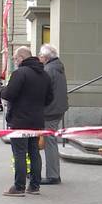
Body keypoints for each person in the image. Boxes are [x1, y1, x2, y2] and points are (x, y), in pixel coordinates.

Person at [0, 46, 53, 196]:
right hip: (37, 120)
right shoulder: (44, 75)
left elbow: (9, 94)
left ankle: (19, 187)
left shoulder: (20, 73)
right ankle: (35, 186)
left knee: (20, 153)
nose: (15, 62)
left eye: (15, 59)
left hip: (19, 120)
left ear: (21, 58)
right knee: (34, 152)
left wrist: (1, 90)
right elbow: (49, 98)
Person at [38, 44, 68, 185]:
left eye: (41, 55)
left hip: (50, 111)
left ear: (45, 57)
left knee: (49, 143)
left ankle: (53, 175)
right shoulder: (58, 67)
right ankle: (53, 174)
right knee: (50, 142)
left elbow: (44, 91)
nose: (39, 57)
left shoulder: (49, 69)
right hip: (57, 109)